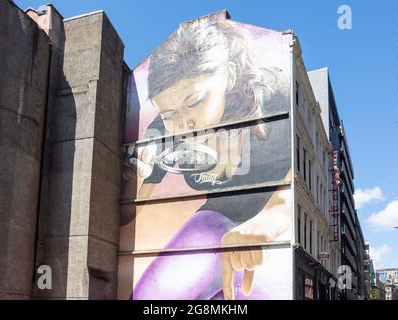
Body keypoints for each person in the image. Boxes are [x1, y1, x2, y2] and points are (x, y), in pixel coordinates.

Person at [124, 18, 292, 300]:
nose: (183, 122)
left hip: (273, 224)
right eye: (169, 114)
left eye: (194, 101)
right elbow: (126, 216)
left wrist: (271, 216)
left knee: (252, 293)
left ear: (227, 75)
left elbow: (299, 176)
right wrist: (134, 179)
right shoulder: (163, 129)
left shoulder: (273, 94)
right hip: (216, 216)